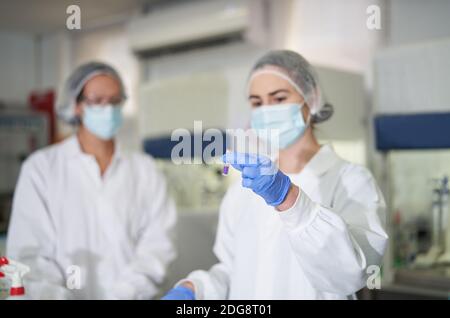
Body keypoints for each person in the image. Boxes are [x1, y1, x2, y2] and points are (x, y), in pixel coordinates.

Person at [162, 50, 388, 300]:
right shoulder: (243, 188)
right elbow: (232, 269)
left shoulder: (352, 181)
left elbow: (350, 275)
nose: (266, 111)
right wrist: (197, 289)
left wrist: (288, 199)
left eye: (279, 98)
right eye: (257, 103)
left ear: (311, 99)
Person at [7, 62, 177, 300]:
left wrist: (124, 294)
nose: (108, 109)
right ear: (76, 106)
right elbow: (30, 254)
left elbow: (157, 246)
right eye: (97, 100)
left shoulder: (145, 170)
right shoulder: (41, 169)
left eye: (115, 101)